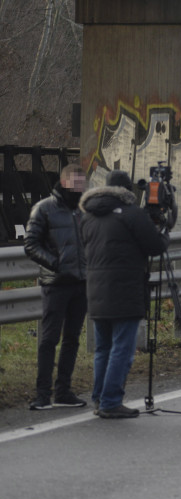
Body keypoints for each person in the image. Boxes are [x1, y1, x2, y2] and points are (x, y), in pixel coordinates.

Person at [79, 169, 167, 419]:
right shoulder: (132, 214)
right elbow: (155, 246)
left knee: (103, 348)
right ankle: (110, 401)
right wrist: (163, 231)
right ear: (128, 191)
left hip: (96, 291)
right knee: (122, 349)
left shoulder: (87, 216)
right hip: (125, 291)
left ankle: (99, 398)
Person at [23, 163, 89, 410]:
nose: (79, 188)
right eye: (75, 184)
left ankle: (64, 391)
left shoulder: (84, 210)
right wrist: (54, 263)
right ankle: (42, 394)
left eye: (82, 184)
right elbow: (31, 244)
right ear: (63, 183)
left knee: (72, 339)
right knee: (49, 339)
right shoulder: (44, 209)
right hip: (56, 283)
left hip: (81, 283)